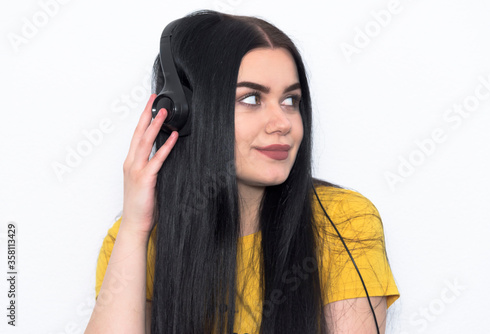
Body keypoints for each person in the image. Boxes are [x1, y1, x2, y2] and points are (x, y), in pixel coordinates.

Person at [84, 9, 399, 334]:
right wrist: (136, 228)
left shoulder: (344, 222)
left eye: (291, 100)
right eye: (251, 98)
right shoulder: (137, 238)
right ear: (186, 114)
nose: (283, 124)